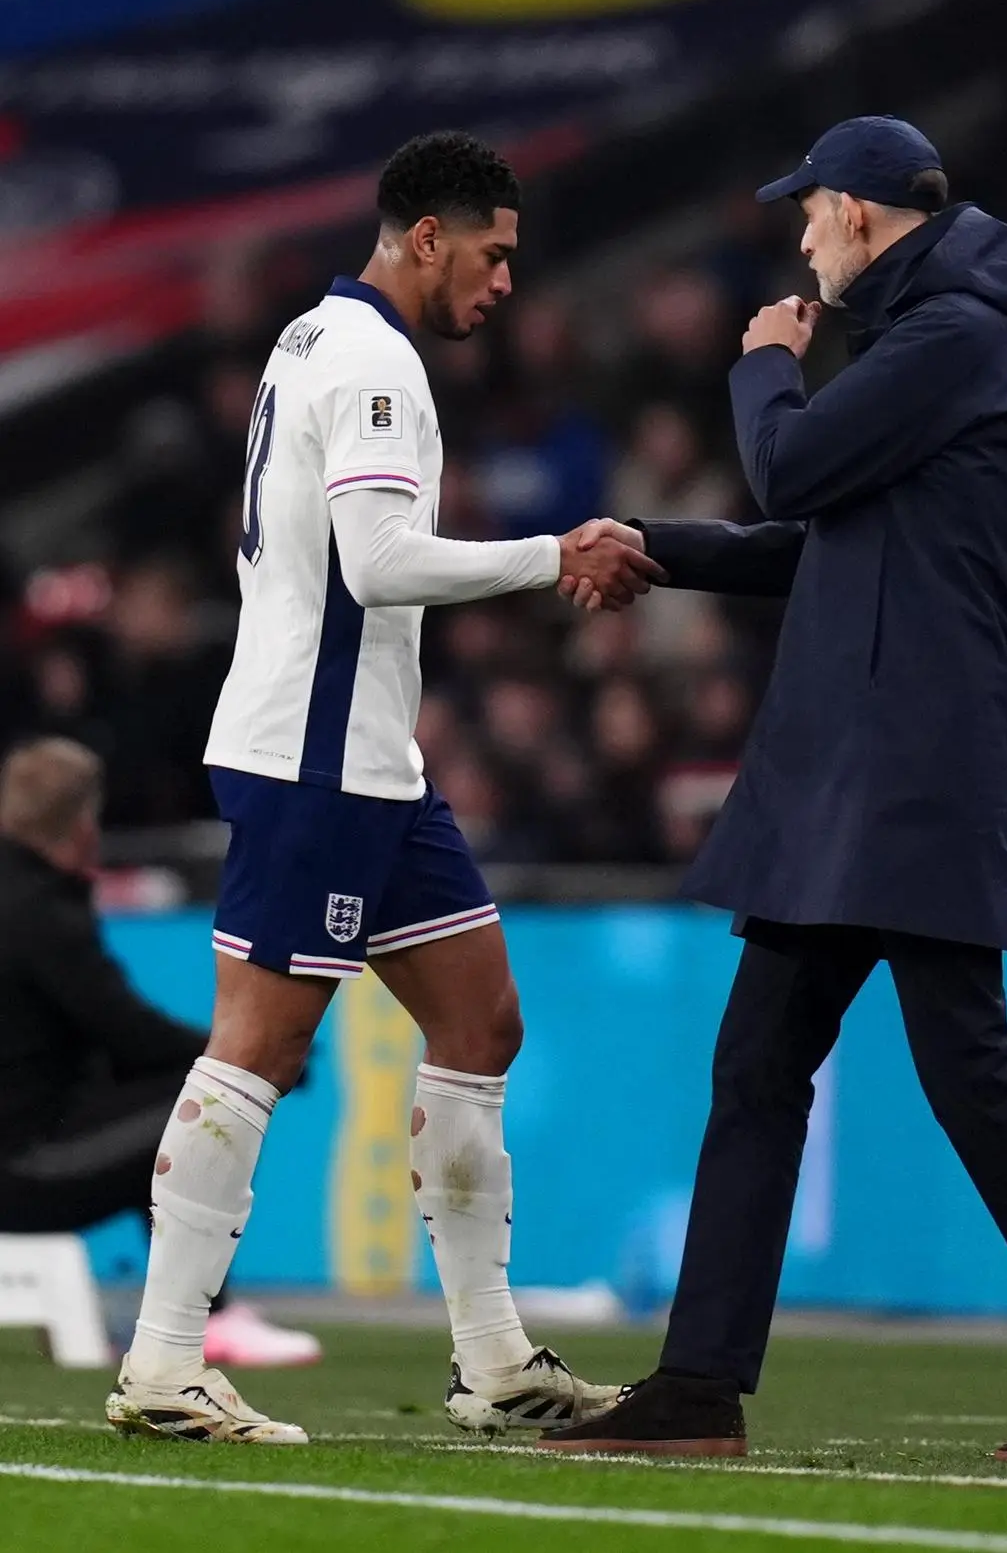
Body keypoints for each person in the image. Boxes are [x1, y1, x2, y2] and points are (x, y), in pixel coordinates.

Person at [545, 117, 1007, 1462]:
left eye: (806, 213)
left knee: (965, 1065)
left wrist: (766, 366)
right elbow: (818, 537)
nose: (797, 238)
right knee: (769, 1060)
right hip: (866, 766)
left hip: (903, 764)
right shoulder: (936, 345)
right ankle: (701, 1384)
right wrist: (653, 546)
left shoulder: (953, 339)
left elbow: (788, 466)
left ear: (852, 212)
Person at [108, 131, 659, 1445]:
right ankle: (166, 1356)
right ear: (428, 237)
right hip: (317, 752)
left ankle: (492, 1356)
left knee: (483, 1021)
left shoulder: (312, 339)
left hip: (370, 757)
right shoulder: (368, 359)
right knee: (261, 1041)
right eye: (494, 251)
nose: (507, 281)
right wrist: (554, 555)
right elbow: (379, 559)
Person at [0, 738, 319, 1368]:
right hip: (20, 1167)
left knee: (183, 1097)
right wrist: (250, 1062)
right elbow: (127, 1031)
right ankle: (206, 1318)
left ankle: (192, 1311)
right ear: (85, 822)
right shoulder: (39, 910)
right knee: (203, 1106)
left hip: (26, 1140)